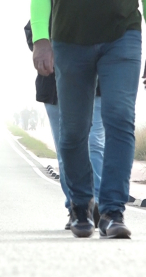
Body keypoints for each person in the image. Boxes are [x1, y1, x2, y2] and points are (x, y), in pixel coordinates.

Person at [30, 0, 146, 239]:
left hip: (123, 37)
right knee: (74, 129)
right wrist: (40, 38)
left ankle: (112, 211)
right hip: (70, 39)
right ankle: (80, 204)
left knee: (119, 118)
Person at [25, 21, 105, 230]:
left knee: (94, 143)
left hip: (94, 84)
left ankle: (94, 202)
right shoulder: (48, 1)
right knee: (65, 149)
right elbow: (31, 31)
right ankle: (76, 204)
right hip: (55, 87)